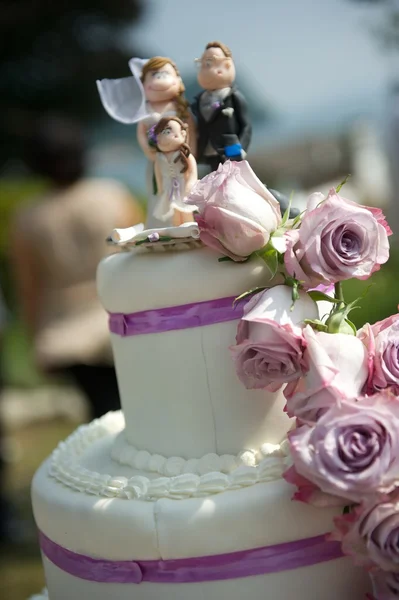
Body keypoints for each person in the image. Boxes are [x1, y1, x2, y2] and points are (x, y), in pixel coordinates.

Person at [10, 115, 143, 419]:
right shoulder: (112, 195)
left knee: (101, 415)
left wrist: (35, 338)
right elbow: (140, 256)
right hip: (119, 316)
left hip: (66, 333)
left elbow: (29, 288)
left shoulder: (28, 217)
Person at [97, 56, 196, 228]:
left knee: (184, 189)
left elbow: (191, 132)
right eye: (154, 75)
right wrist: (147, 150)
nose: (160, 80)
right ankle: (161, 223)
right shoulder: (146, 110)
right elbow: (141, 133)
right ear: (143, 85)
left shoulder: (180, 108)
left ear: (178, 81)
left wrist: (190, 152)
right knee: (158, 189)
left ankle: (187, 222)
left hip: (180, 157)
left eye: (166, 74)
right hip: (156, 158)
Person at [192, 41, 252, 172]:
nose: (205, 70)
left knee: (233, 175)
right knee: (214, 175)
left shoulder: (233, 97)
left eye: (209, 64)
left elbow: (246, 126)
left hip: (230, 147)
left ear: (227, 65)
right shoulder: (199, 100)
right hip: (207, 146)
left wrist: (242, 148)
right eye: (202, 65)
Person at [151, 116, 197, 224]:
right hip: (168, 187)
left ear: (182, 134)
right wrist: (160, 187)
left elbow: (192, 171)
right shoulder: (159, 157)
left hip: (183, 185)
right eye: (159, 133)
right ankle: (177, 228)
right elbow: (158, 173)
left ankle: (188, 226)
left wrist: (191, 183)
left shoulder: (184, 155)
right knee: (173, 210)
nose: (162, 138)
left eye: (167, 132)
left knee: (185, 208)